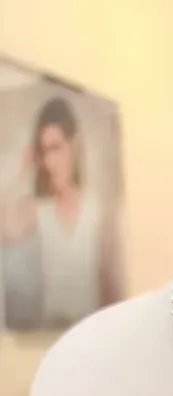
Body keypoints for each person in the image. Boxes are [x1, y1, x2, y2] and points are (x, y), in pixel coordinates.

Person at [1, 95, 120, 330]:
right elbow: (4, 232)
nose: (49, 162)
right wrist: (22, 171)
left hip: (90, 332)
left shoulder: (96, 209)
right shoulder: (40, 209)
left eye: (56, 148)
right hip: (51, 332)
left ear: (73, 146)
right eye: (44, 152)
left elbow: (108, 281)